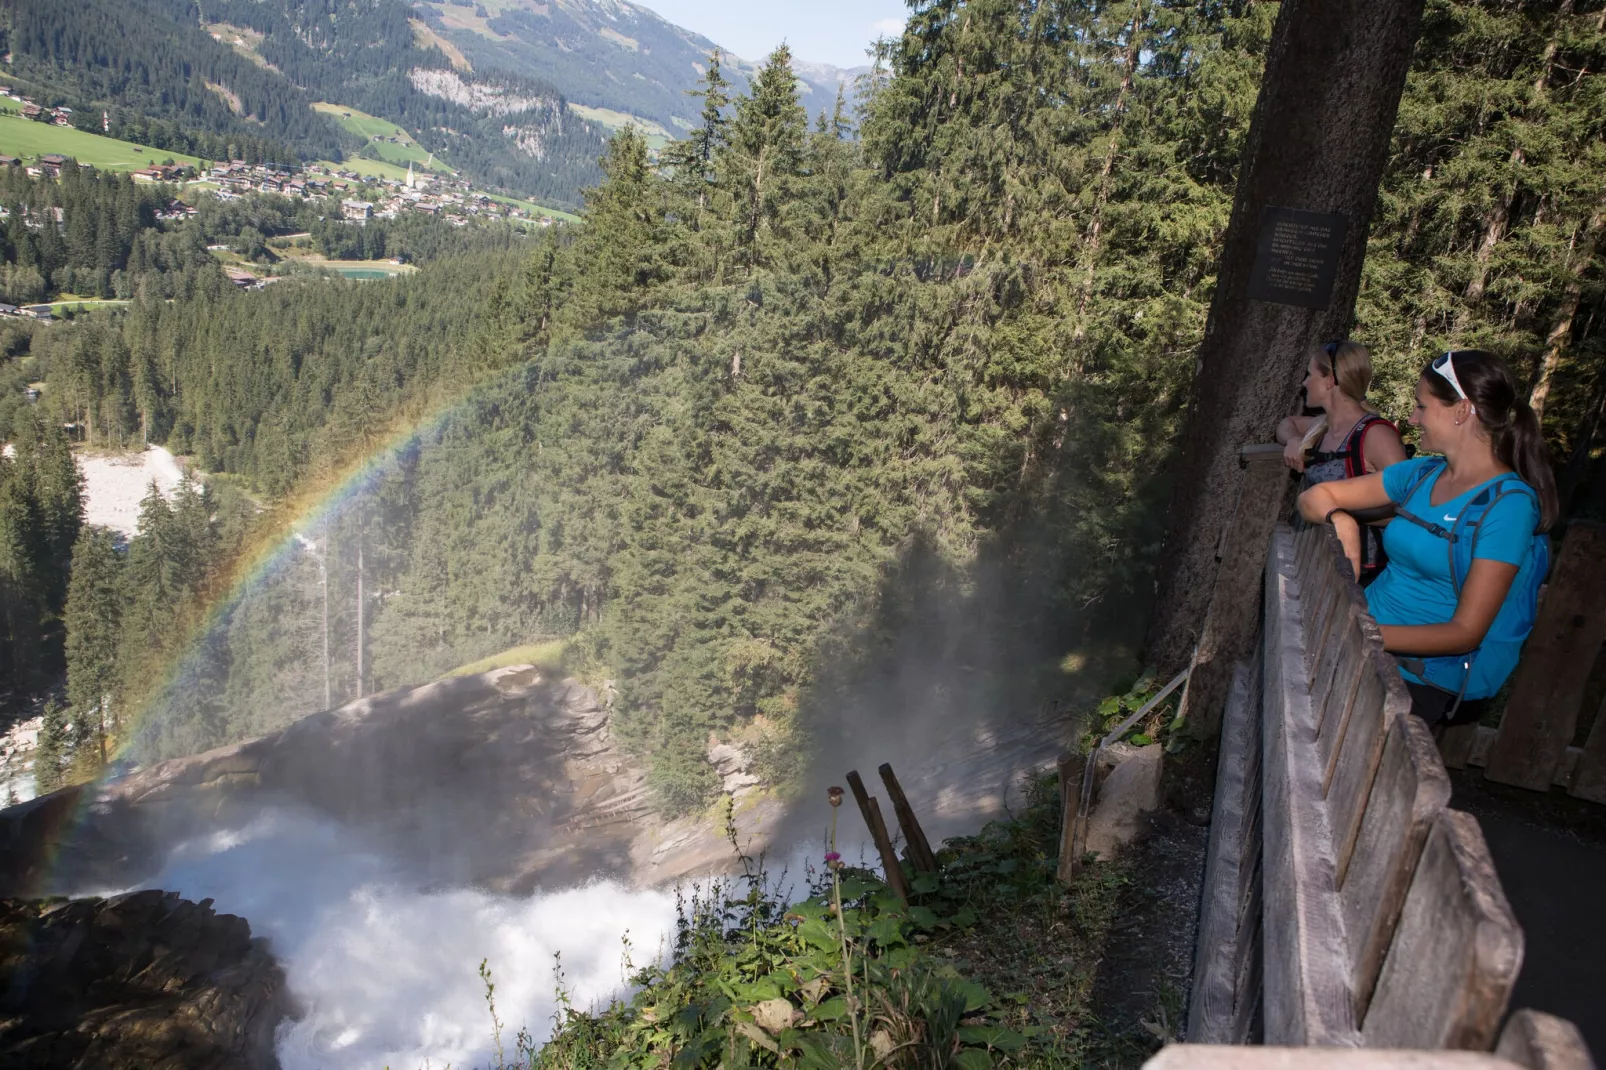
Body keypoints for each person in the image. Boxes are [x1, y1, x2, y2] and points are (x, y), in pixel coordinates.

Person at [1296, 350, 1557, 727]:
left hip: (1414, 679)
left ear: (1461, 410)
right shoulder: (1422, 474)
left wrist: (1363, 633)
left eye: (1421, 406)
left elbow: (1465, 633)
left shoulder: (1509, 507)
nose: (1413, 418)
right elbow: (1314, 497)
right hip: (1360, 643)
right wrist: (1342, 519)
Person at [1276, 341, 1408, 583]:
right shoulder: (1323, 426)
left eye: (1309, 375)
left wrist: (1339, 512)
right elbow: (1286, 424)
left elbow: (1408, 506)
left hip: (1366, 572)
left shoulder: (1375, 434)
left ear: (1329, 381)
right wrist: (1295, 441)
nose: (1304, 383)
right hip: (1322, 561)